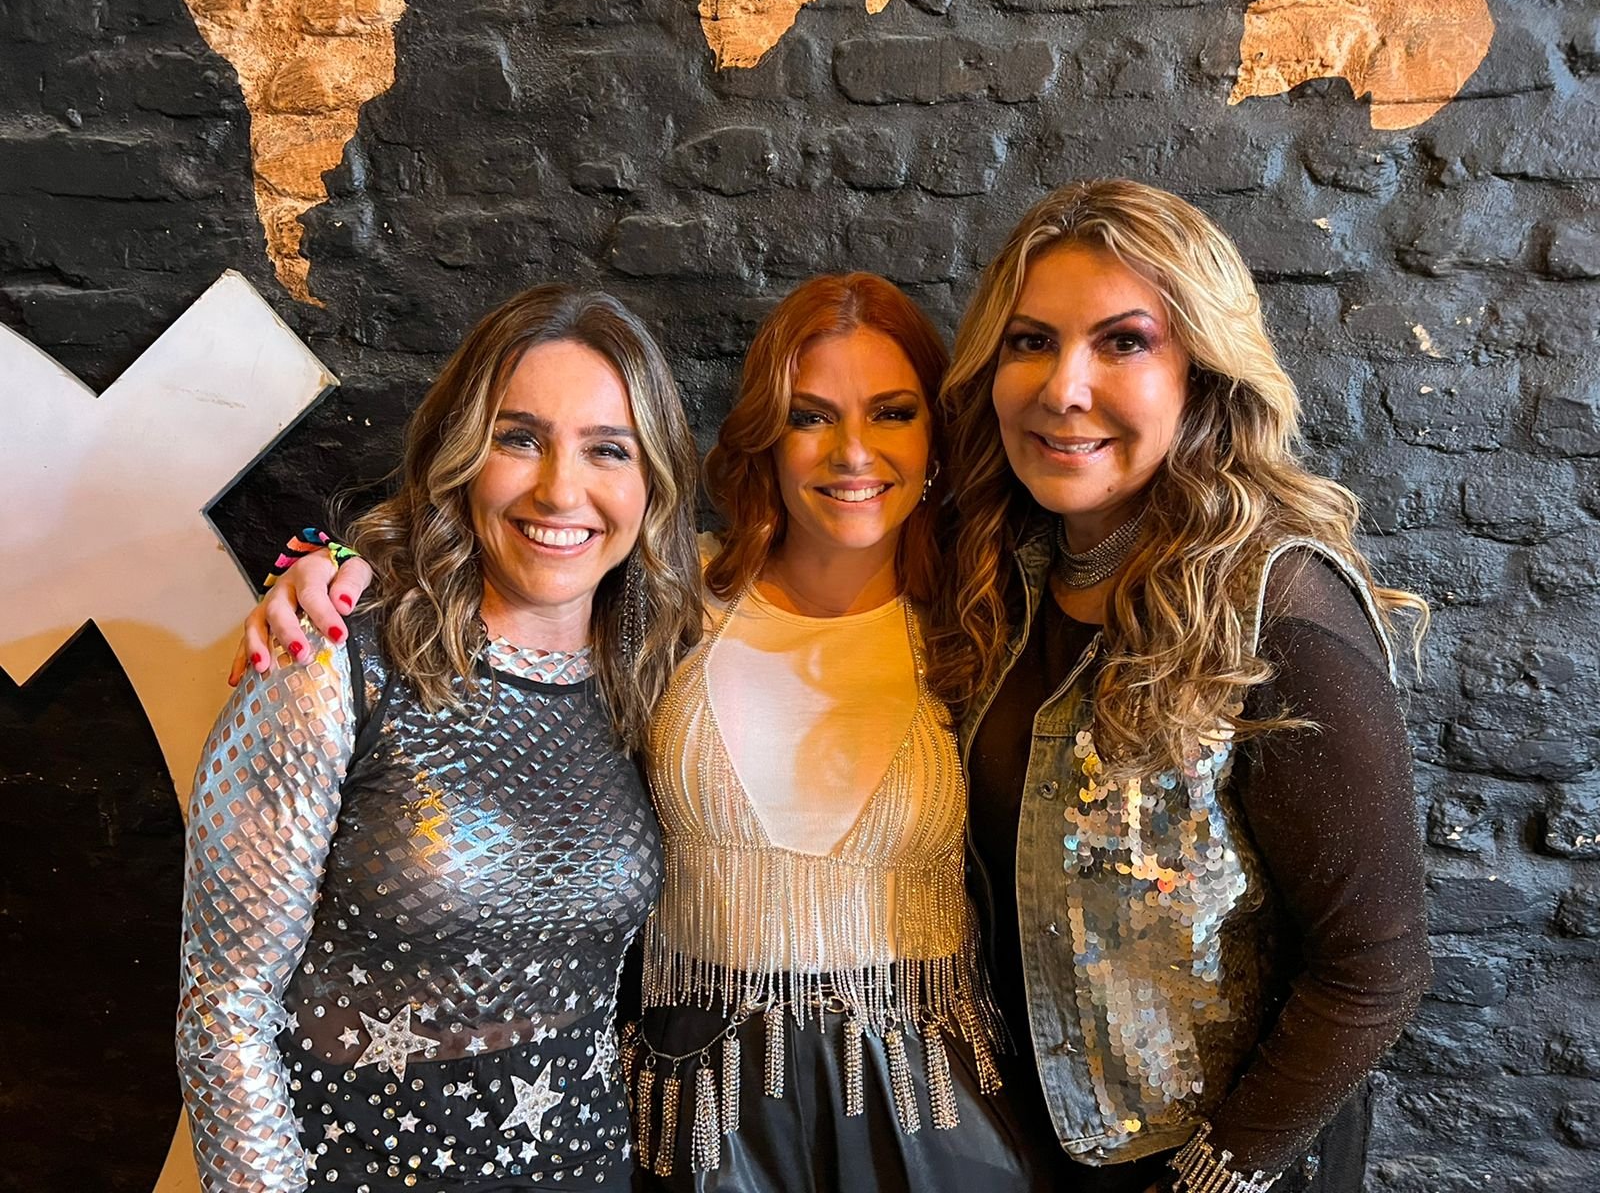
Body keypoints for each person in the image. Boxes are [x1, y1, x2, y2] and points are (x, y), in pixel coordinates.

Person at [241, 274, 1051, 1193]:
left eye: (894, 413)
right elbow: (506, 585)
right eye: (810, 416)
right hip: (697, 1115)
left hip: (932, 1109)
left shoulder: (989, 620)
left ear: (938, 437)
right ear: (767, 437)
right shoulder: (669, 600)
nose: (853, 451)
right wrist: (330, 564)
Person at [929, 179, 1432, 1193]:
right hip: (1023, 1152)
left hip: (1217, 1167)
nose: (1063, 389)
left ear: (1200, 372)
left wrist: (1206, 1180)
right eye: (1030, 342)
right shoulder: (1004, 578)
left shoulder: (1276, 604)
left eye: (1123, 343)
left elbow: (1374, 970)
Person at [176, 285, 703, 1192]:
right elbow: (224, 1010)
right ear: (461, 454)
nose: (560, 490)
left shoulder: (659, 670)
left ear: (651, 481)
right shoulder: (331, 655)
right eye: (519, 438)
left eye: (607, 449)